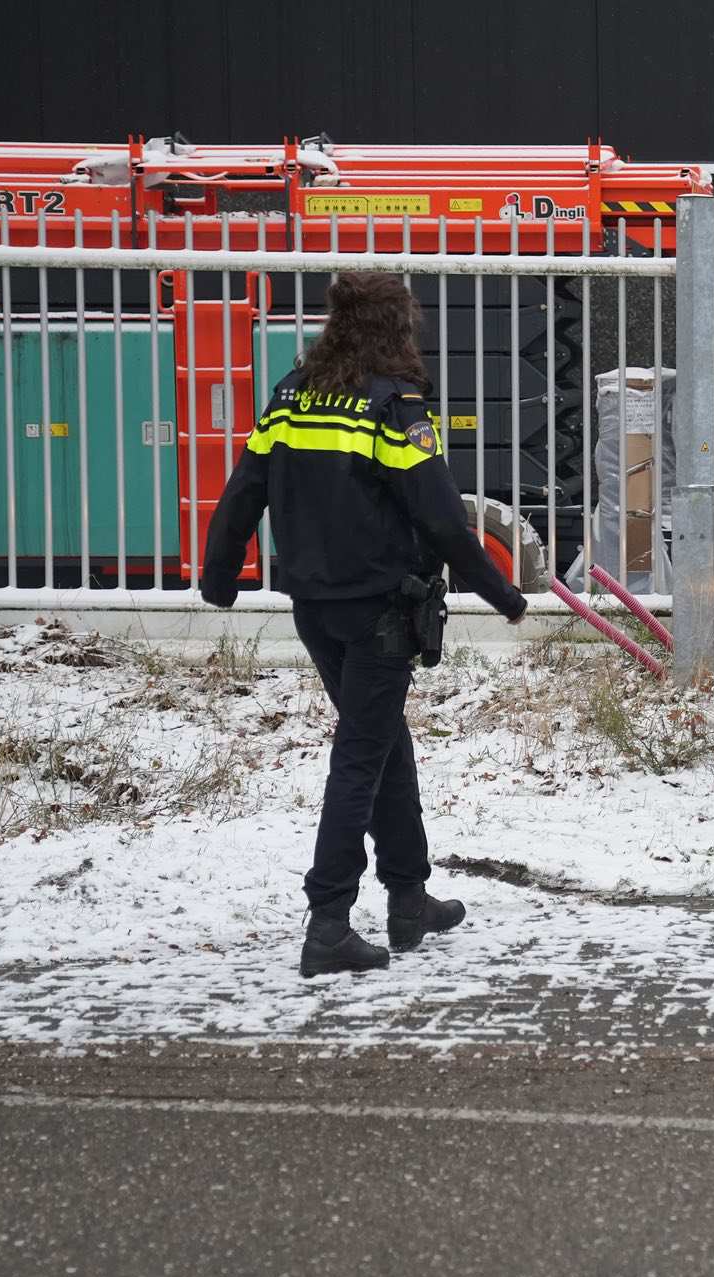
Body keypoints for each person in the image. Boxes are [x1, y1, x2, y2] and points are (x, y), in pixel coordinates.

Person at [200, 272, 529, 978]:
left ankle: (409, 896)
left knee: (384, 743)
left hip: (315, 605)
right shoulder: (393, 406)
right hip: (380, 608)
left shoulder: (293, 396)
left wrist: (220, 575)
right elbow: (441, 515)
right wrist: (501, 592)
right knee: (360, 756)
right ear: (396, 326)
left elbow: (244, 489)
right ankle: (328, 923)